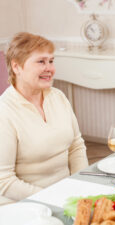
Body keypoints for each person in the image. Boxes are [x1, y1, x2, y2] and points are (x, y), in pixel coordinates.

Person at [0, 32, 89, 202]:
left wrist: (80, 184)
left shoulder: (58, 97)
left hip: (66, 197)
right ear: (16, 67)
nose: (50, 68)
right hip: (23, 204)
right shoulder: (4, 112)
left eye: (51, 61)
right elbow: (3, 180)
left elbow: (76, 146)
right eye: (41, 61)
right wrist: (52, 197)